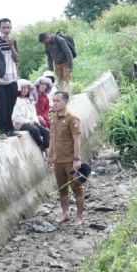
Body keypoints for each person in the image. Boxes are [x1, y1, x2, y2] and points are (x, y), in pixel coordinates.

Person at [46, 91, 84, 224]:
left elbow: (77, 139)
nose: (54, 103)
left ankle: (79, 216)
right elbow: (52, 138)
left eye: (57, 101)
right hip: (58, 160)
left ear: (65, 102)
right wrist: (49, 155)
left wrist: (77, 159)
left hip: (69, 160)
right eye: (53, 101)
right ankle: (65, 212)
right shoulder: (53, 118)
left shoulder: (72, 119)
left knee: (76, 187)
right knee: (61, 187)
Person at [0, 18, 20, 137]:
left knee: (11, 104)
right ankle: (1, 130)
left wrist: (11, 46)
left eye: (8, 27)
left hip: (12, 77)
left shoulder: (13, 40)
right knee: (1, 105)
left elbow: (16, 58)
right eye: (3, 27)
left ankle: (10, 129)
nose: (6, 30)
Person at [12, 85, 50, 153]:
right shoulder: (15, 100)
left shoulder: (29, 100)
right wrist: (28, 121)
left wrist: (35, 120)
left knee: (45, 131)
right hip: (20, 123)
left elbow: (33, 113)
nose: (25, 90)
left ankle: (47, 151)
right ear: (19, 89)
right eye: (23, 88)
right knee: (35, 130)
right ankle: (41, 147)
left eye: (27, 88)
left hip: (31, 122)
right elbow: (15, 117)